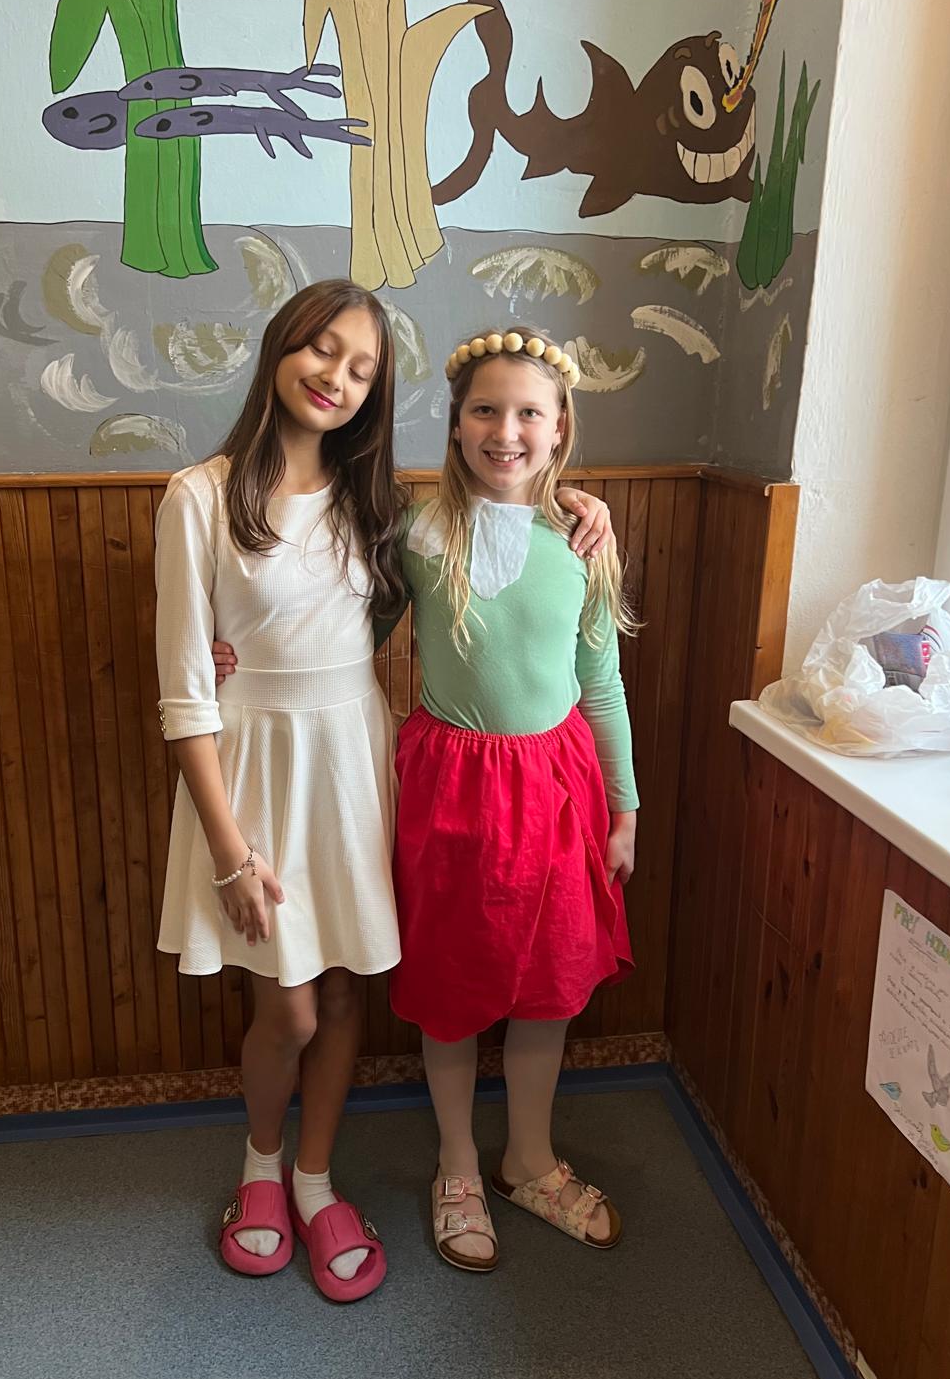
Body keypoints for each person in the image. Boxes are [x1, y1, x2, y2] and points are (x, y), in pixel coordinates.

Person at [157, 282, 613, 1301]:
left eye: (362, 368)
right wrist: (229, 846)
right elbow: (186, 685)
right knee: (290, 1010)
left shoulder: (377, 505)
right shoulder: (200, 496)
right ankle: (260, 1168)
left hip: (357, 762)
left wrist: (580, 502)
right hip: (262, 768)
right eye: (322, 350)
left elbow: (400, 599)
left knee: (345, 990)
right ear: (280, 349)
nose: (337, 377)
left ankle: (316, 1183)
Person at [385, 328, 638, 1273]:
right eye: (486, 410)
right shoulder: (418, 535)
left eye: (530, 412)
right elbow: (343, 634)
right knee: (451, 987)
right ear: (456, 425)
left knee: (549, 981)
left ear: (559, 426)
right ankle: (457, 1163)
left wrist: (626, 808)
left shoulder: (581, 537)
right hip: (452, 787)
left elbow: (601, 683)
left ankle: (527, 1158)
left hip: (560, 788)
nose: (507, 430)